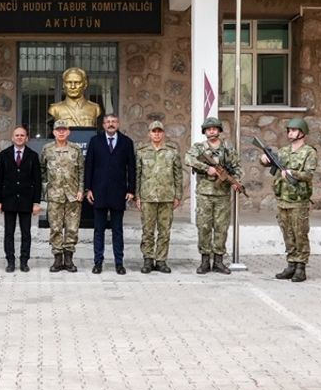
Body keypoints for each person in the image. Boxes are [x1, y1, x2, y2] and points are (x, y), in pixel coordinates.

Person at [261, 117, 317, 283]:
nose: (290, 133)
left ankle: (301, 266)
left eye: (293, 130)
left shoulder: (309, 152)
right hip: (283, 199)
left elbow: (309, 174)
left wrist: (294, 173)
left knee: (300, 233)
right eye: (289, 130)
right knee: (287, 233)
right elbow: (271, 162)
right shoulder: (284, 151)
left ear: (302, 132)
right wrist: (263, 160)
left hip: (298, 200)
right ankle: (291, 264)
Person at [185, 117, 242, 275]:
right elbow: (188, 159)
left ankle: (218, 261)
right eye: (209, 129)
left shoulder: (227, 149)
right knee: (204, 227)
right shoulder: (199, 148)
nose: (212, 131)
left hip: (222, 195)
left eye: (214, 129)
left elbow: (237, 167)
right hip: (204, 194)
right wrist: (206, 168)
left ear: (219, 131)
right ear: (205, 131)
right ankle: (205, 261)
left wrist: (235, 181)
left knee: (221, 228)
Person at [85, 114, 136, 274]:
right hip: (98, 192)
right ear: (103, 125)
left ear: (118, 124)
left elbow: (131, 167)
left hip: (119, 192)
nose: (111, 124)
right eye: (108, 122)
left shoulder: (126, 142)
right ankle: (98, 263)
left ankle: (119, 263)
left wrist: (131, 190)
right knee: (98, 230)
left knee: (117, 230)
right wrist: (88, 189)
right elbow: (89, 166)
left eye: (113, 121)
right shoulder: (95, 141)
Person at [135, 120, 182, 274]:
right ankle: (148, 259)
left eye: (159, 131)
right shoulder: (142, 152)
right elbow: (137, 175)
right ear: (149, 134)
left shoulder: (172, 151)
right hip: (147, 196)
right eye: (154, 131)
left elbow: (178, 174)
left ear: (163, 133)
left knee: (164, 231)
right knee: (147, 231)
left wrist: (178, 195)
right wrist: (137, 196)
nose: (156, 134)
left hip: (166, 196)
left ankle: (161, 260)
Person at [0, 126, 42, 272]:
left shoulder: (33, 156)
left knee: (26, 233)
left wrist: (36, 202)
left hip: (27, 200)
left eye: (22, 135)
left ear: (26, 138)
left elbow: (37, 181)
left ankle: (24, 261)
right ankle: (10, 261)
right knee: (9, 233)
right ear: (12, 138)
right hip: (8, 200)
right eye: (17, 135)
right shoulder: (4, 155)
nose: (19, 137)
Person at [42, 119, 84, 273]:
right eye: (58, 129)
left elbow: (81, 171)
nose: (61, 132)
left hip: (73, 195)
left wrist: (81, 190)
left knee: (72, 228)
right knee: (55, 228)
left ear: (68, 132)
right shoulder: (47, 149)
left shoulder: (75, 149)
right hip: (55, 195)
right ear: (53, 132)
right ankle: (58, 259)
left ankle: (69, 259)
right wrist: (46, 189)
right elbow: (42, 170)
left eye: (64, 129)